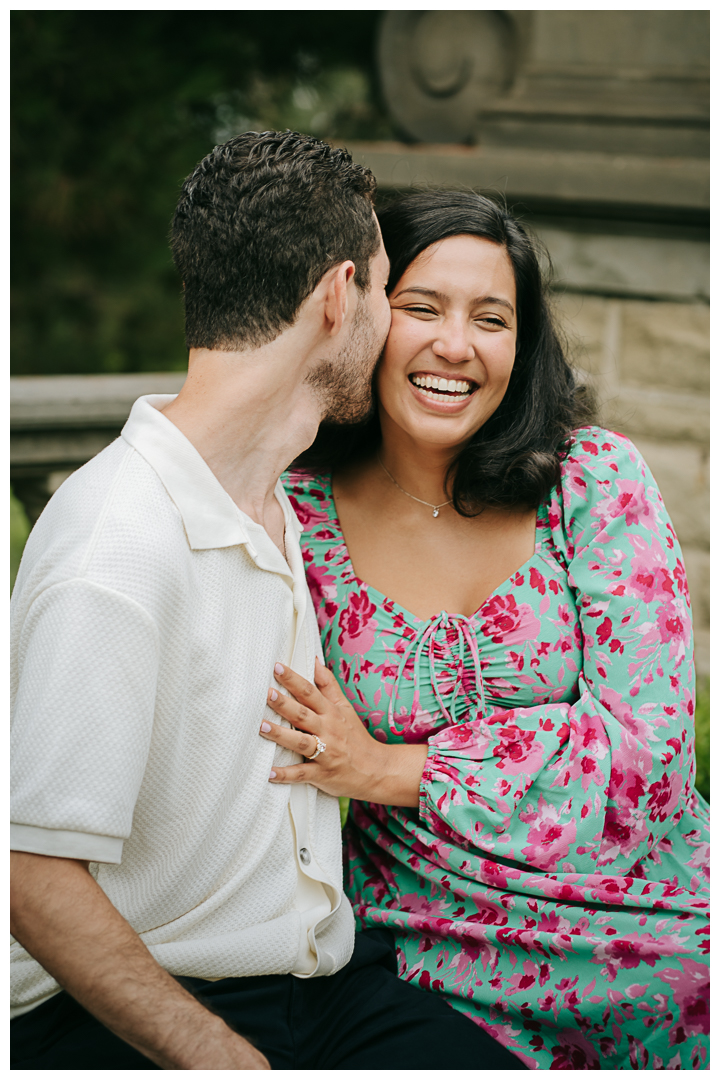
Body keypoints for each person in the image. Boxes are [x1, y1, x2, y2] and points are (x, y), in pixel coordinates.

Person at [10, 138, 524, 1070]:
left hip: (324, 987)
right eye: (384, 289)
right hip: (133, 1013)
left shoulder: (276, 499)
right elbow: (31, 874)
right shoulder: (115, 545)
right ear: (338, 298)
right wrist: (224, 1061)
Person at [265, 190, 710, 1070]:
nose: (455, 346)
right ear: (359, 317)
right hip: (419, 954)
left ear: (523, 345)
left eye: (492, 318)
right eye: (420, 307)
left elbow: (652, 758)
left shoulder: (593, 480)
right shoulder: (296, 514)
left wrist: (393, 769)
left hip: (656, 936)